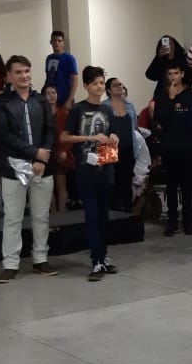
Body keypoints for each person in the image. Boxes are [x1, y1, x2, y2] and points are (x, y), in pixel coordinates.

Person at [0, 55, 58, 283]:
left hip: (42, 167)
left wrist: (42, 157)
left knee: (41, 216)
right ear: (9, 76)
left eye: (27, 71)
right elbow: (4, 137)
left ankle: (40, 259)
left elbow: (50, 131)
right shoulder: (0, 103)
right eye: (18, 72)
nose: (24, 76)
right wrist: (34, 153)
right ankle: (11, 264)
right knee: (13, 218)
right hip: (13, 169)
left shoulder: (41, 101)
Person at [61, 66, 120, 281]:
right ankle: (96, 260)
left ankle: (103, 257)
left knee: (104, 216)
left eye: (102, 83)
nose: (99, 87)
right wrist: (90, 138)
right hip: (85, 170)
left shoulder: (107, 110)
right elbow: (65, 137)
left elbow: (113, 133)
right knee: (92, 214)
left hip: (105, 167)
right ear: (86, 86)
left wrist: (114, 138)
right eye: (95, 83)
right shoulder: (78, 110)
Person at [153, 61, 192, 236]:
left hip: (187, 147)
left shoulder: (190, 96)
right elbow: (161, 120)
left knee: (187, 187)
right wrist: (170, 99)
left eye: (176, 73)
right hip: (169, 147)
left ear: (182, 74)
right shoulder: (162, 96)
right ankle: (172, 222)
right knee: (171, 187)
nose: (173, 77)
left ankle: (188, 222)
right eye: (170, 74)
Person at [103, 77, 136, 212]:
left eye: (121, 84)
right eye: (115, 85)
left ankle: (127, 213)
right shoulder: (104, 106)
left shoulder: (129, 105)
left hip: (128, 149)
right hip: (109, 149)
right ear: (109, 90)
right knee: (111, 184)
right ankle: (111, 214)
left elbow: (134, 127)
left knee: (126, 183)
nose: (119, 87)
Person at [43, 84, 73, 211]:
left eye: (54, 93)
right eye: (48, 93)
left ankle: (62, 216)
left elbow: (70, 134)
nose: (51, 95)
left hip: (62, 152)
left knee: (61, 186)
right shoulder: (40, 114)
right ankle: (54, 216)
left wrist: (65, 151)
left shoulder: (64, 113)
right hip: (46, 154)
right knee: (47, 188)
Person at [44, 31, 79, 110]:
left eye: (59, 41)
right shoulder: (49, 58)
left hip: (65, 98)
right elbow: (48, 78)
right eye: (54, 40)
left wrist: (70, 100)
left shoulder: (69, 58)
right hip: (51, 99)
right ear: (50, 42)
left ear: (63, 43)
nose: (56, 43)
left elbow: (75, 80)